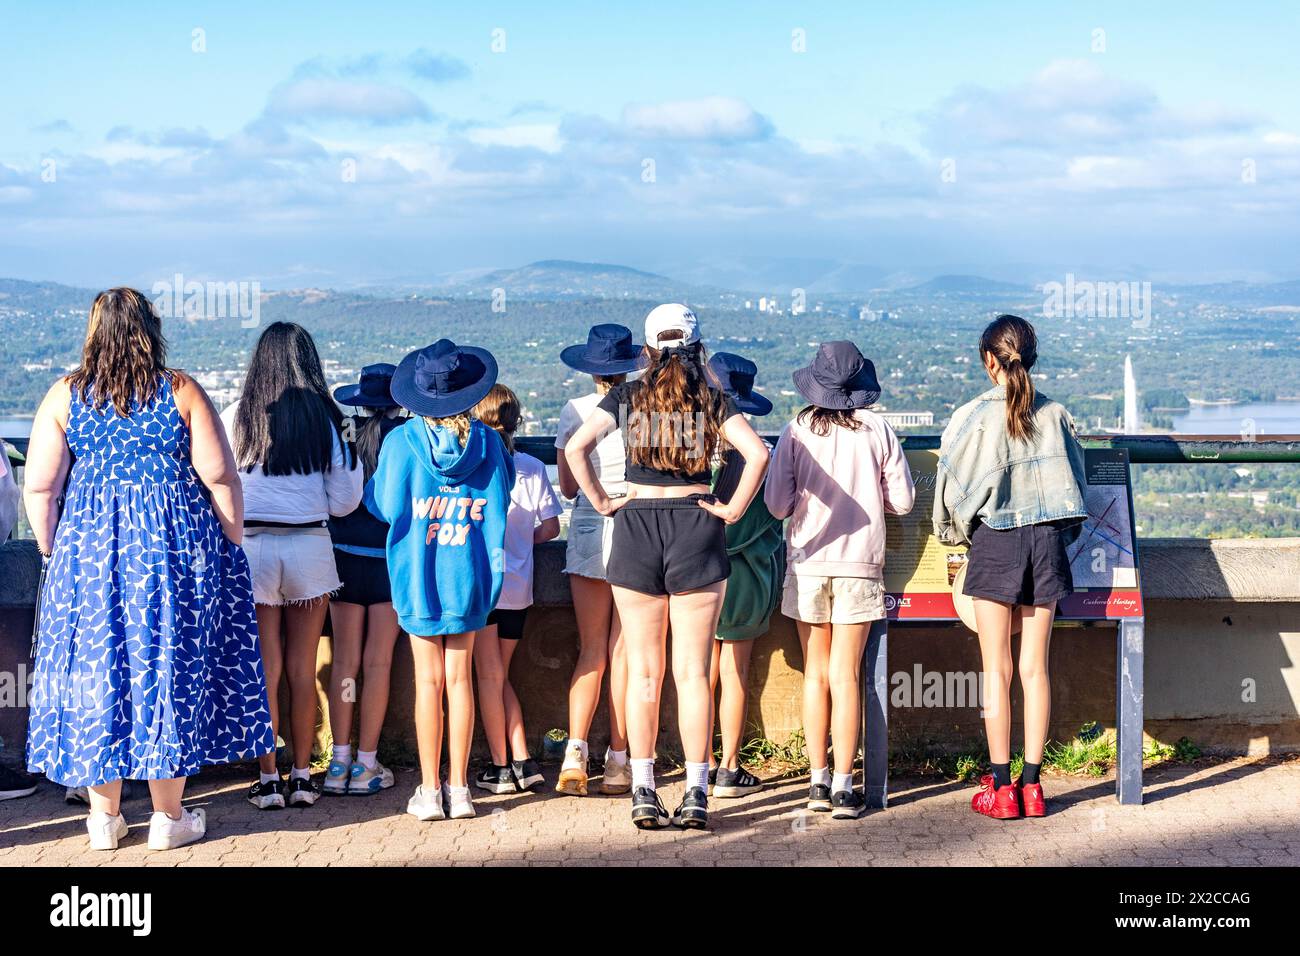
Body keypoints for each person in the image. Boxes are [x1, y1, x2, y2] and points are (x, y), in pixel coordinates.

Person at [24, 287, 273, 850]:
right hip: (173, 550)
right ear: (149, 330)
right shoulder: (179, 390)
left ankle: (103, 820)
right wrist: (229, 544)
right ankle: (168, 817)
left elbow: (40, 487)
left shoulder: (65, 395)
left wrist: (52, 554)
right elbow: (221, 478)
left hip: (88, 556)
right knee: (167, 666)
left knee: (98, 669)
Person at [565, 304, 770, 830]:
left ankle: (642, 788)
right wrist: (731, 510)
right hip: (697, 526)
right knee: (694, 672)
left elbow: (576, 448)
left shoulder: (627, 395)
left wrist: (605, 502)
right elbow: (758, 455)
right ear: (698, 346)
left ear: (648, 349)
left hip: (635, 527)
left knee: (644, 670)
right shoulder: (711, 397)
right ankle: (698, 791)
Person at [934, 315, 1087, 819]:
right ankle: (1033, 786)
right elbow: (1078, 493)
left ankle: (1000, 789)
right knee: (1035, 669)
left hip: (994, 544)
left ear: (988, 361)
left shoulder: (969, 419)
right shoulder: (1057, 415)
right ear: (1031, 358)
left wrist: (958, 538)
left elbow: (949, 499)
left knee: (994, 670)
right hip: (1046, 545)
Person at [366, 339, 515, 822]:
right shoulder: (490, 442)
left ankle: (429, 792)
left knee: (428, 683)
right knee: (461, 680)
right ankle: (461, 788)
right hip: (471, 575)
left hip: (417, 577)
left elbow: (385, 507)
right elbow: (504, 494)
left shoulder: (399, 443)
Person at [765, 341, 915, 820]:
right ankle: (846, 788)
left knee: (816, 673)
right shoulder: (879, 429)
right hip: (861, 565)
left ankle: (816, 780)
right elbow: (906, 501)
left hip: (809, 563)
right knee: (849, 676)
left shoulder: (797, 429)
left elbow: (776, 504)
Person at [220, 322, 363, 810]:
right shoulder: (329, 418)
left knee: (265, 669)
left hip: (253, 547)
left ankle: (267, 778)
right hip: (309, 546)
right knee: (304, 669)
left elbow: (216, 483)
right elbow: (345, 502)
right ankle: (303, 775)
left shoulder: (235, 416)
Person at [552, 324, 646, 796]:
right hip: (634, 526)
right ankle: (619, 762)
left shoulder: (574, 410)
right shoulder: (646, 406)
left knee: (590, 651)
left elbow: (567, 487)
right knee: (624, 653)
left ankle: (574, 753)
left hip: (589, 523)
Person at [471, 384, 562, 794]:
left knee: (489, 677)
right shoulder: (530, 465)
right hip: (519, 587)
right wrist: (522, 542)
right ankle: (522, 759)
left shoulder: (475, 465)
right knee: (499, 674)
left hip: (483, 584)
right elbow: (551, 527)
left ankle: (502, 766)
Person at [322, 364, 406, 796]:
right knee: (378, 664)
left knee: (345, 664)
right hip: (389, 562)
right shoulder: (406, 435)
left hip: (343, 560)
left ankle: (338, 760)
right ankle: (366, 763)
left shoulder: (342, 430)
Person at [703, 353, 783, 799]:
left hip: (698, 573)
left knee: (702, 673)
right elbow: (771, 516)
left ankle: (703, 763)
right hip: (747, 578)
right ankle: (729, 768)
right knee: (734, 673)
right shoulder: (760, 459)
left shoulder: (691, 452)